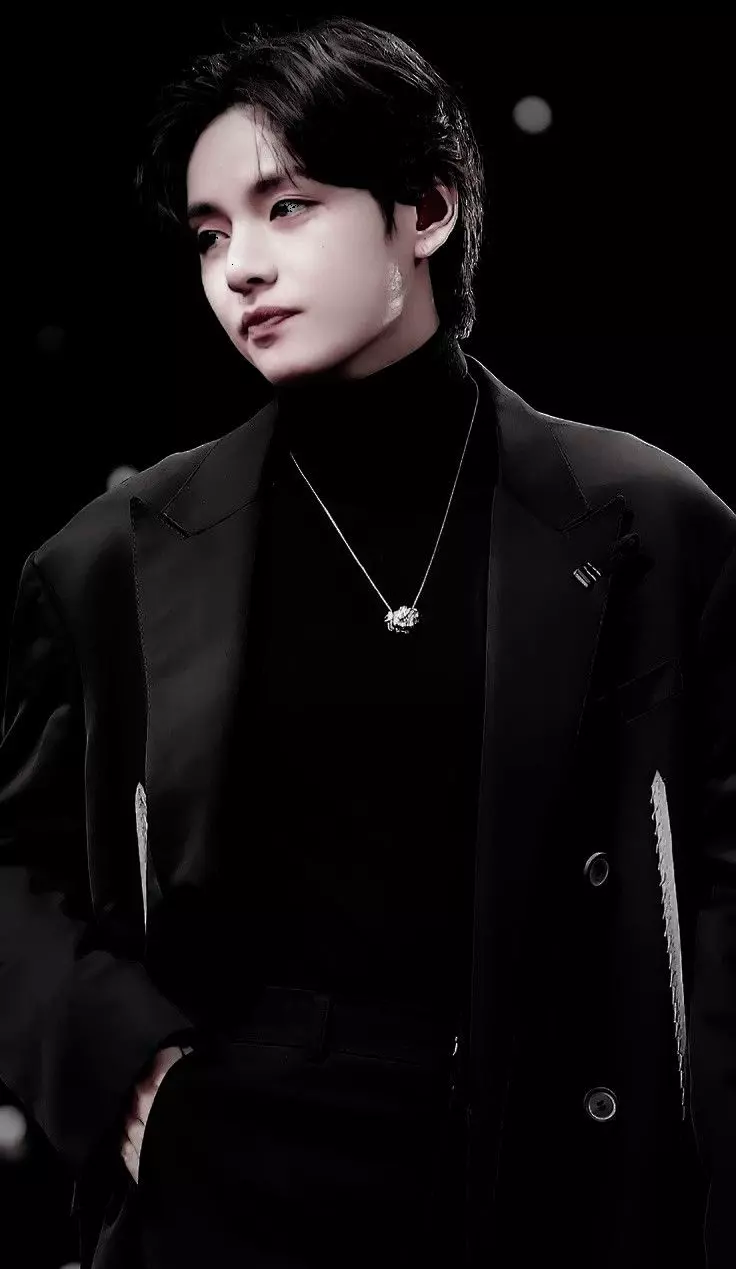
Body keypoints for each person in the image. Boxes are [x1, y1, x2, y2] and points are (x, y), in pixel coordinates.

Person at [0, 14, 733, 1269]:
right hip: (230, 1183)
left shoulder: (648, 523)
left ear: (426, 212)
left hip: (546, 1170)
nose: (239, 268)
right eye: (210, 233)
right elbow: (15, 869)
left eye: (287, 208)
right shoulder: (111, 558)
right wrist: (126, 1073)